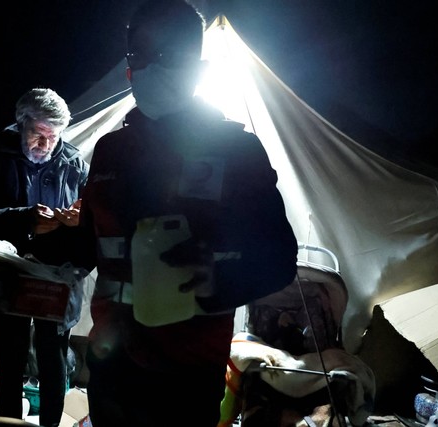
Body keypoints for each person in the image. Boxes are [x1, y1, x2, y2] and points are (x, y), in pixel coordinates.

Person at [78, 1, 299, 426]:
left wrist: (217, 278)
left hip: (189, 369)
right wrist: (22, 225)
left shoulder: (237, 151)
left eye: (166, 54)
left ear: (196, 65)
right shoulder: (111, 151)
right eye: (137, 55)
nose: (148, 66)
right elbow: (88, 246)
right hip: (112, 362)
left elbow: (278, 261)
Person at [0, 87, 95, 427]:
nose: (45, 144)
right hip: (5, 278)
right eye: (37, 134)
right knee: (10, 362)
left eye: (53, 136)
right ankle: (8, 426)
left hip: (56, 279)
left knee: (53, 360)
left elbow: (94, 228)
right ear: (21, 124)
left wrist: (80, 223)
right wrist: (24, 220)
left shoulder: (74, 165)